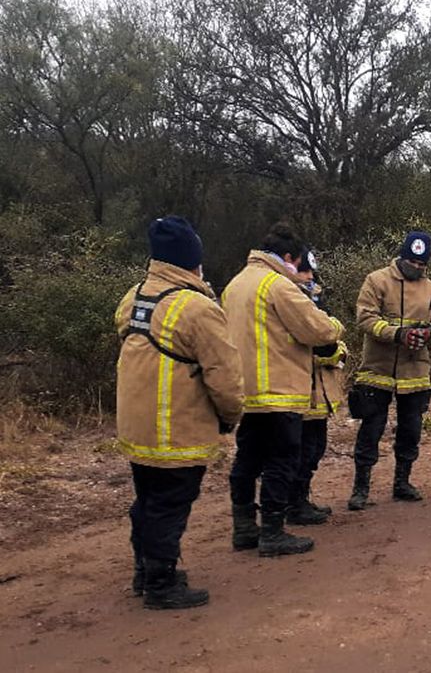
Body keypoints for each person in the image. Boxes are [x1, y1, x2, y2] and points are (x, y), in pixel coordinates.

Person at [115, 216, 243, 609]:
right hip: (176, 427)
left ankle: (145, 570)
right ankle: (161, 583)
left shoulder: (133, 296)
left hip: (136, 426)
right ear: (193, 260)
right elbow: (224, 376)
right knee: (171, 504)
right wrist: (229, 416)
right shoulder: (198, 308)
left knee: (148, 500)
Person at [223, 224, 344, 557]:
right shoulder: (278, 285)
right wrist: (335, 325)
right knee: (281, 460)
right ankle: (273, 532)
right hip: (279, 389)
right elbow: (319, 329)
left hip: (245, 390)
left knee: (247, 460)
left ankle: (245, 526)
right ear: (289, 257)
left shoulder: (235, 285)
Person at [347, 231, 431, 510]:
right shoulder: (376, 280)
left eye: (422, 265)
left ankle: (402, 482)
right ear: (402, 257)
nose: (416, 268)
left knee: (411, 429)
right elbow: (365, 318)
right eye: (412, 263)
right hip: (377, 370)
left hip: (414, 372)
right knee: (371, 429)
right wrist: (397, 334)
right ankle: (361, 488)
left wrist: (429, 333)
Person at [286, 249, 348, 525]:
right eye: (304, 272)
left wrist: (337, 352)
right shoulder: (285, 299)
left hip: (319, 389)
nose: (309, 277)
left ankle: (300, 499)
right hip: (296, 389)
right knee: (293, 451)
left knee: (314, 448)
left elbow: (331, 334)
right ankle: (291, 505)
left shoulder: (316, 297)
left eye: (312, 272)